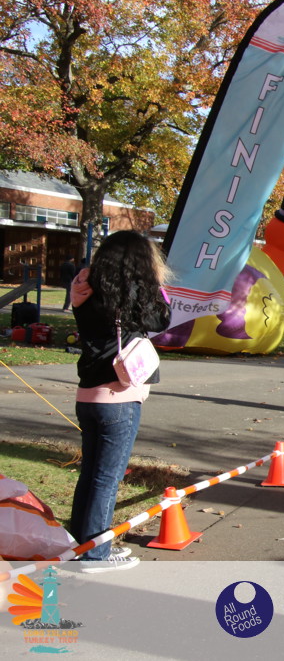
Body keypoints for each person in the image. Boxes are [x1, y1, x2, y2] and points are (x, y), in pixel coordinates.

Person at [70, 231, 171, 572]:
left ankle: (80, 546)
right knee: (107, 478)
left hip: (88, 395)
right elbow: (163, 320)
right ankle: (95, 554)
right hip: (119, 397)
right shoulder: (134, 293)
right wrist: (155, 283)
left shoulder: (84, 287)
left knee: (90, 475)